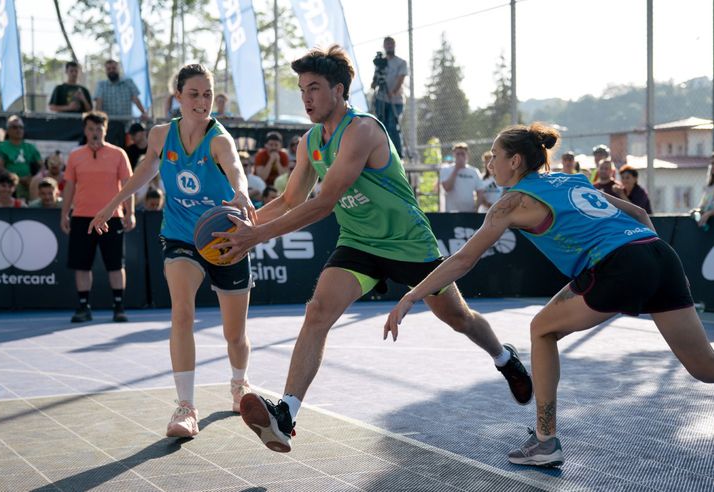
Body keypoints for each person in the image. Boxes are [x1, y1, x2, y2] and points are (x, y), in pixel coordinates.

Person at [218, 45, 532, 453]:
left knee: (458, 317)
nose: (307, 97)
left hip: (406, 242)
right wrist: (247, 225)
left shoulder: (362, 130)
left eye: (314, 88)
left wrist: (256, 237)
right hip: (359, 244)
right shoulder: (310, 142)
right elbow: (292, 198)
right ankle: (286, 414)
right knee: (317, 312)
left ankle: (503, 357)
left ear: (339, 90)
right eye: (302, 90)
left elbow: (324, 201)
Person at [386, 122, 714, 468]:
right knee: (705, 368)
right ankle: (545, 441)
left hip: (619, 262)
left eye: (495, 156)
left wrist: (412, 295)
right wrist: (655, 268)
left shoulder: (511, 203)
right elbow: (639, 213)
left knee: (542, 329)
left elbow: (465, 259)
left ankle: (545, 442)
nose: (490, 164)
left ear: (515, 161)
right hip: (659, 254)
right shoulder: (569, 179)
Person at [88, 64, 257, 438]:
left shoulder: (219, 139)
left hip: (225, 238)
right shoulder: (162, 135)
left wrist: (241, 191)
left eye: (208, 94)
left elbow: (234, 167)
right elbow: (144, 171)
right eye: (194, 94)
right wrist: (112, 203)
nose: (202, 101)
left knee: (234, 334)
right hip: (181, 235)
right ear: (177, 96)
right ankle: (185, 407)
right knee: (182, 313)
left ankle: (239, 383)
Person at [61, 111, 135, 324]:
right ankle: (83, 308)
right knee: (82, 265)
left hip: (111, 218)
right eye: (91, 129)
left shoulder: (118, 154)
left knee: (115, 265)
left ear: (105, 129)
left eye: (99, 129)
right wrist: (65, 213)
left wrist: (129, 213)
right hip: (82, 217)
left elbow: (128, 185)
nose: (95, 133)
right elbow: (69, 187)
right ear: (85, 130)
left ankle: (119, 307)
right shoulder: (75, 155)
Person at [94, 59, 149, 147]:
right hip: (108, 128)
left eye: (114, 68)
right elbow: (98, 103)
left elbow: (136, 99)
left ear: (118, 68)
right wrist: (97, 120)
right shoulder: (101, 85)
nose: (111, 70)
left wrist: (144, 113)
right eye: (109, 69)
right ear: (106, 71)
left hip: (126, 127)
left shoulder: (128, 82)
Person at [372, 36, 407, 157]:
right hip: (381, 99)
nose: (389, 46)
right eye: (386, 44)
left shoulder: (401, 63)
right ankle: (383, 152)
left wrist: (393, 92)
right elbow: (374, 83)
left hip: (395, 101)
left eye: (391, 44)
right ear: (384, 46)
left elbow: (401, 79)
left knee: (393, 125)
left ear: (394, 45)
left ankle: (397, 153)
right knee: (382, 125)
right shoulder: (381, 63)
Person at [0, 115, 41, 200]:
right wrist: (17, 179)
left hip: (29, 183)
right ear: (8, 130)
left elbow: (42, 166)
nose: (18, 130)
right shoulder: (2, 146)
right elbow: (0, 167)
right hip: (9, 184)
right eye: (15, 127)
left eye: (21, 127)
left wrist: (34, 179)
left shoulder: (30, 147)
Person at [439, 142, 484, 212]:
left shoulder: (474, 171)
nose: (460, 156)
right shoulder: (446, 169)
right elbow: (447, 188)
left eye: (462, 154)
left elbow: (480, 191)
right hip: (451, 212)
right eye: (458, 154)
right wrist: (457, 169)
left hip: (469, 213)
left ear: (467, 155)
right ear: (454, 155)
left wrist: (476, 208)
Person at [693, 153, 714, 229]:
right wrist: (698, 211)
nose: (712, 166)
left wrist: (709, 213)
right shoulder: (709, 187)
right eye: (712, 163)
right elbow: (703, 204)